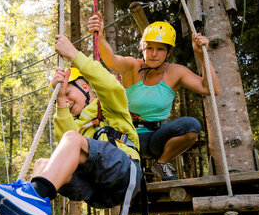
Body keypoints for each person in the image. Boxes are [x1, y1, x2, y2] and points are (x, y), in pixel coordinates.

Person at [0, 34, 143, 215]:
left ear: (85, 87)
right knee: (42, 164)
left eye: (69, 92)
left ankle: (31, 203)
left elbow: (109, 85)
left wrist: (74, 55)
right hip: (99, 194)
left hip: (125, 174)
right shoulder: (77, 127)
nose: (64, 100)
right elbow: (64, 137)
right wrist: (62, 100)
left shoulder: (111, 108)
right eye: (59, 99)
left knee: (72, 141)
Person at [87, 13, 220, 180]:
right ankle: (134, 173)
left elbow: (212, 89)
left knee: (191, 126)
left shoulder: (176, 72)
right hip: (128, 137)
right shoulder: (133, 67)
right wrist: (100, 36)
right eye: (149, 48)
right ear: (143, 48)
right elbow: (112, 60)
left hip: (158, 138)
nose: (154, 54)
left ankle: (162, 164)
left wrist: (201, 54)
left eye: (160, 49)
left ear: (168, 52)